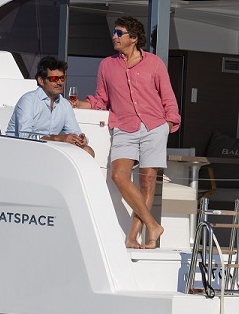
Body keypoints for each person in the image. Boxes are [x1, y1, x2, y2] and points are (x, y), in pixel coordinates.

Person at [73, 16, 181, 249]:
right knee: (119, 176)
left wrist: (169, 124)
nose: (114, 36)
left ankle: (135, 237)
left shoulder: (154, 63)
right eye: (114, 32)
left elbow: (168, 98)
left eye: (119, 33)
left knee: (147, 183)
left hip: (154, 126)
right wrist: (80, 104)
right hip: (124, 126)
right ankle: (153, 225)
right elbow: (101, 100)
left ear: (133, 38)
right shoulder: (107, 65)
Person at [7, 56, 95, 157]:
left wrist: (81, 139)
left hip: (49, 150)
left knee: (87, 151)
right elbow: (25, 137)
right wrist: (59, 138)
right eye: (54, 79)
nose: (59, 82)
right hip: (20, 151)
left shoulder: (65, 104)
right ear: (41, 80)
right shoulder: (28, 100)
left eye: (62, 78)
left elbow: (75, 132)